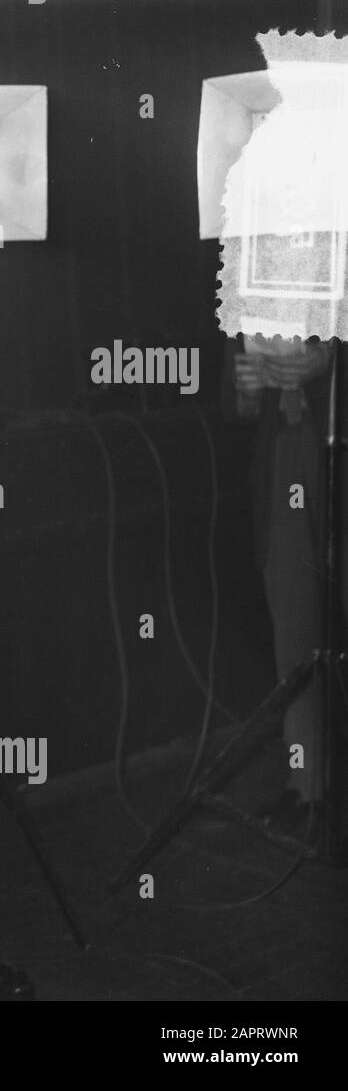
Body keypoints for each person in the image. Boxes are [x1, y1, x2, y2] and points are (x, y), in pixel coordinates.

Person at [228, 332, 347, 830]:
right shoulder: (247, 265)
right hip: (286, 448)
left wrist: (331, 359)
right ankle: (306, 786)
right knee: (294, 621)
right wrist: (249, 391)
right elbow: (237, 405)